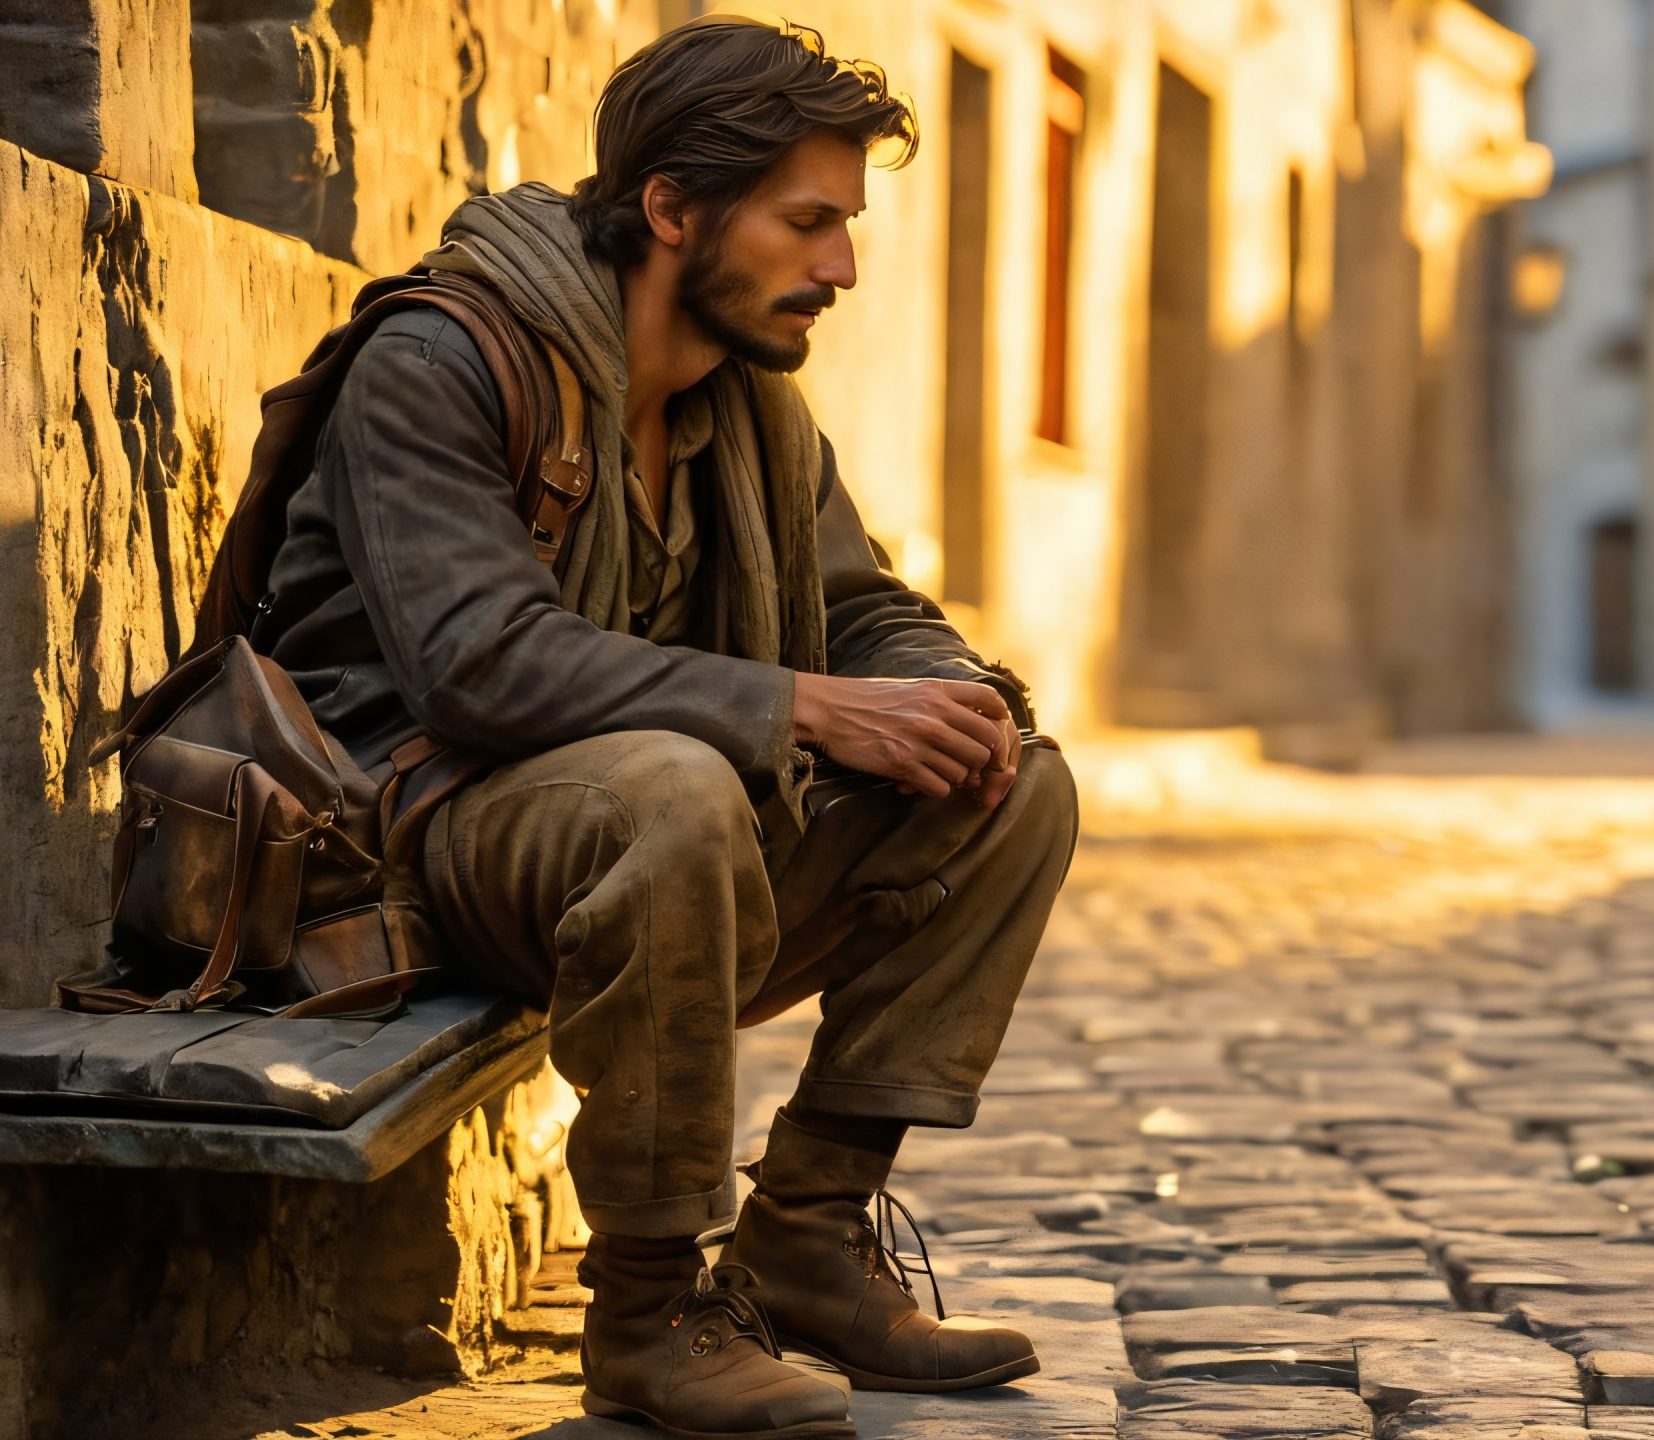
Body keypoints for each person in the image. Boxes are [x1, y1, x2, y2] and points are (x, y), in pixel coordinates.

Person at [251, 17, 1074, 1438]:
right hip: (417, 838)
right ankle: (648, 1315)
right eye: (808, 221)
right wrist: (802, 707)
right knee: (678, 789)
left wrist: (957, 698)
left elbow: (857, 608)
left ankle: (807, 1239)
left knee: (1016, 787)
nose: (843, 266)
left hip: (644, 837)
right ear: (673, 211)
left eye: (846, 224)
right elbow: (479, 667)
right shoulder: (441, 359)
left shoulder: (751, 406)